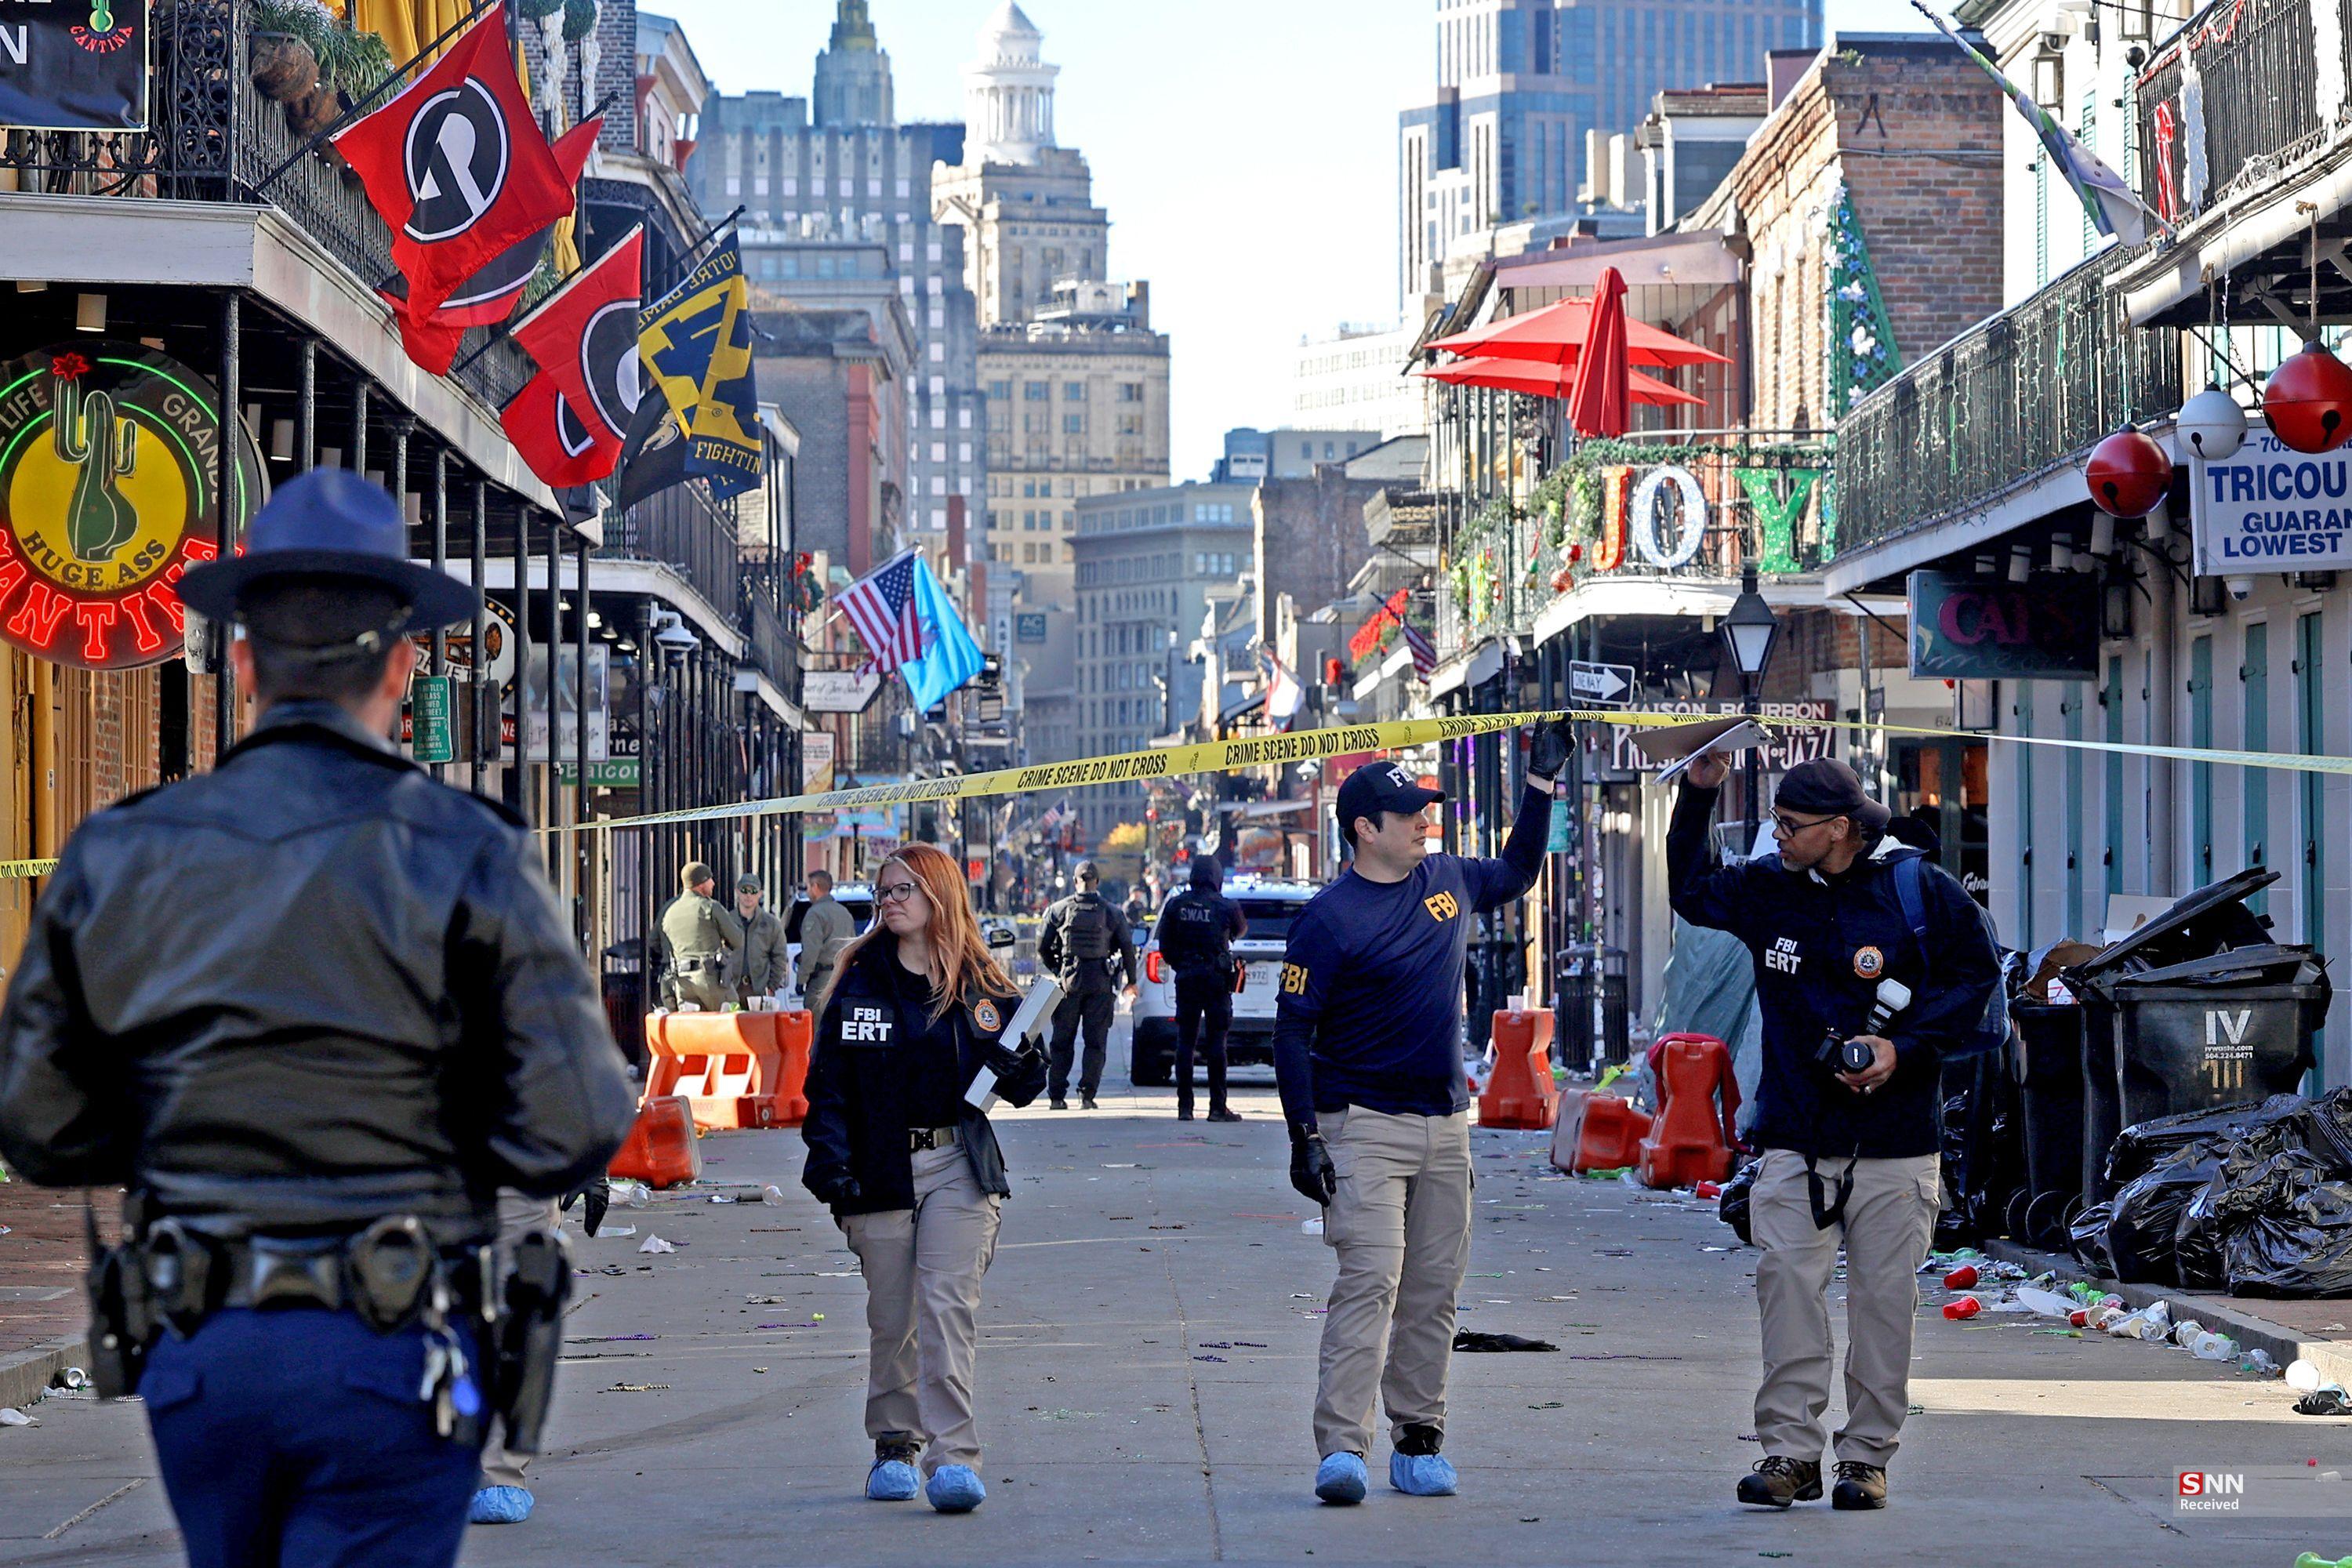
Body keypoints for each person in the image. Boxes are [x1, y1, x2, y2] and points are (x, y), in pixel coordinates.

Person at [0, 468, 637, 1568]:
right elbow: (578, 1117)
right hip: (392, 1336)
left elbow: (38, 1124)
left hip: (205, 1341)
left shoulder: (122, 849)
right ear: (400, 666)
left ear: (241, 661)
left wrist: (180, 1115)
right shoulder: (466, 846)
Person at [1666, 753, 1998, 1512]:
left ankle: (1867, 1457)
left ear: (1841, 828)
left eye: (1791, 824)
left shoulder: (1915, 889)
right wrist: (1700, 790)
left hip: (1896, 1143)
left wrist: (1901, 1047)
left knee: (1884, 1305)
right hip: (1793, 1139)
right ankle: (1790, 1451)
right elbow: (1690, 889)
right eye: (1775, 821)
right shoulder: (1767, 889)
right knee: (1786, 1286)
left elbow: (1976, 974)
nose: (1776, 835)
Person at [1274, 728, 1566, 1505]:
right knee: (1372, 1278)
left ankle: (1419, 1436)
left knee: (1433, 1289)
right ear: (1364, 827)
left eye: (1425, 809)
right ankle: (1342, 1446)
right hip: (1360, 1125)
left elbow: (1519, 870)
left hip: (1445, 1124)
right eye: (1407, 812)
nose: (1423, 821)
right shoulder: (1329, 919)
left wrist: (1539, 782)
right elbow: (1292, 1032)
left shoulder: (1448, 878)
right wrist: (1305, 1136)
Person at [800, 843, 1047, 1514]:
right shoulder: (859, 979)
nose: (891, 901)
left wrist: (1024, 1063)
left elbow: (1025, 1080)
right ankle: (894, 1444)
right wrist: (830, 1165)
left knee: (946, 1311)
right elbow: (826, 1088)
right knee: (893, 1318)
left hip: (958, 1166)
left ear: (940, 894)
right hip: (879, 1168)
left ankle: (954, 1458)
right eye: (884, 891)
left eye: (904, 889)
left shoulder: (981, 983)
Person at [1155, 856, 1248, 1122]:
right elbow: (1241, 930)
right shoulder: (1226, 906)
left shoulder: (1176, 905)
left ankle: (1185, 1108)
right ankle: (1217, 1107)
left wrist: (1182, 964)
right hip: (1217, 980)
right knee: (1217, 1043)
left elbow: (1165, 946)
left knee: (1185, 1042)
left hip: (1187, 978)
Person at [1036, 859, 1135, 1110]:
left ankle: (1057, 1096)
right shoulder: (1113, 912)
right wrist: (1131, 982)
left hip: (1070, 981)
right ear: (1097, 882)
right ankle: (1087, 1096)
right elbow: (1127, 949)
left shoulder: (1059, 909)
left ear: (1075, 882)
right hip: (1100, 982)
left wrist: (1059, 969)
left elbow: (1042, 946)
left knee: (1062, 1041)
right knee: (1095, 1042)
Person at [659, 861, 742, 1011]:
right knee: (732, 1016)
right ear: (701, 883)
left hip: (682, 982)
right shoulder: (710, 907)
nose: (713, 883)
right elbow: (738, 940)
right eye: (710, 879)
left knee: (694, 1028)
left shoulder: (670, 913)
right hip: (710, 979)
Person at [797, 869, 855, 1009]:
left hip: (821, 980)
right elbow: (853, 945)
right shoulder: (844, 912)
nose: (808, 891)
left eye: (808, 887)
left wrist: (801, 980)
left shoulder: (815, 914)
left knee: (817, 1024)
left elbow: (811, 951)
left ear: (815, 887)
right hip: (842, 978)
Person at [732, 873, 789, 1004]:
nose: (748, 896)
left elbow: (780, 957)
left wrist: (772, 986)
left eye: (753, 891)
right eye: (744, 890)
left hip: (759, 989)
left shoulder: (771, 923)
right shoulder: (727, 920)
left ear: (760, 894)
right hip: (732, 989)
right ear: (737, 892)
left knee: (759, 1025)